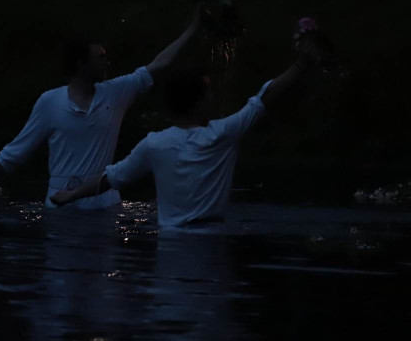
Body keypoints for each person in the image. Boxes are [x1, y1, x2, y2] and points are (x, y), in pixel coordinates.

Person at [50, 34, 327, 226]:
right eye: (207, 94)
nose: (212, 98)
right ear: (197, 102)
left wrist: (70, 195)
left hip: (172, 245)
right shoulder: (223, 133)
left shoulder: (154, 144)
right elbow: (264, 96)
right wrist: (302, 64)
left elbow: (108, 179)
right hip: (210, 243)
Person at [0, 6, 203, 208]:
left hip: (104, 201)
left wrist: (194, 28)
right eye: (100, 57)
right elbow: (13, 154)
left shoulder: (116, 91)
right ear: (80, 64)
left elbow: (160, 63)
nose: (107, 62)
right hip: (60, 202)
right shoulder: (50, 102)